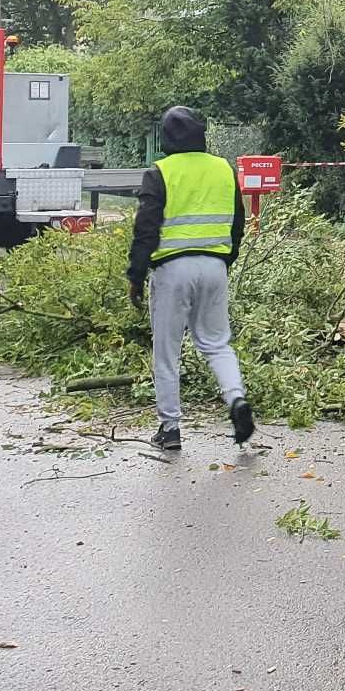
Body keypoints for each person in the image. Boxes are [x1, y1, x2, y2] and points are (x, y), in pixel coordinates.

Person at [126, 105, 255, 451]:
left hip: (173, 270)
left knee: (167, 352)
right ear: (201, 133)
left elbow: (146, 230)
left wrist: (136, 276)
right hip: (214, 266)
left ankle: (170, 429)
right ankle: (236, 400)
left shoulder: (160, 172)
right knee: (216, 343)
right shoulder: (223, 169)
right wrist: (226, 260)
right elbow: (236, 223)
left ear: (166, 138)